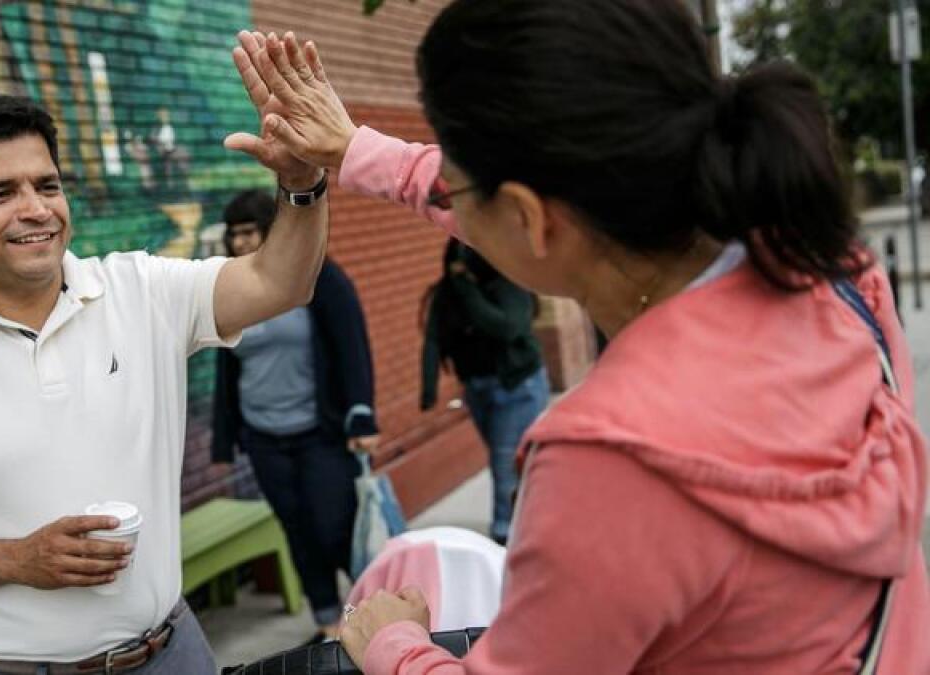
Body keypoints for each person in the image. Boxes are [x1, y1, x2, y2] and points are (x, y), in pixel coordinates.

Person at [233, 8, 930, 673]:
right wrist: (355, 149)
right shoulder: (835, 273)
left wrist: (396, 644)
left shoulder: (607, 458)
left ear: (529, 218)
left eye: (457, 183)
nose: (446, 191)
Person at [0, 36, 332, 675]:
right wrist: (12, 559)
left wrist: (302, 181)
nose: (36, 210)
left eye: (47, 185)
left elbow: (280, 282)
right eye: (0, 193)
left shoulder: (140, 290)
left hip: (174, 651)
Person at [212, 188, 380, 643]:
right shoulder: (230, 289)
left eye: (250, 232)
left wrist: (362, 415)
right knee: (298, 531)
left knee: (335, 527)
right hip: (263, 436)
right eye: (234, 234)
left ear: (271, 231)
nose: (241, 242)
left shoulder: (318, 278)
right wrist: (226, 437)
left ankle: (372, 614)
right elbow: (226, 369)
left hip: (320, 432)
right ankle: (328, 623)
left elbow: (352, 348)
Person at [421, 239, 549, 545]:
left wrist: (468, 289)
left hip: (518, 387)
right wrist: (428, 387)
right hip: (478, 389)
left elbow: (505, 327)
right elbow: (433, 339)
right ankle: (534, 519)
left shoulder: (509, 284)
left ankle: (505, 536)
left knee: (503, 463)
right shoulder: (447, 293)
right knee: (513, 461)